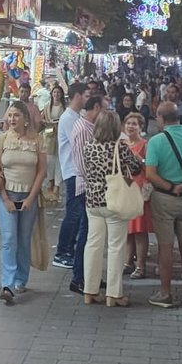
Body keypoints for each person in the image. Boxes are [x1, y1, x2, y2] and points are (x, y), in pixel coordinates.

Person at [142, 102, 182, 308]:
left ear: (160, 118)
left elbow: (151, 173)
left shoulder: (156, 141)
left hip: (164, 200)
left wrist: (171, 187)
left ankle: (166, 293)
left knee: (165, 247)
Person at [80, 111, 144, 307]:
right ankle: (113, 295)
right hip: (114, 201)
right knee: (116, 247)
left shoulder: (88, 147)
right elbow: (136, 167)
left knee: (93, 245)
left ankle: (89, 291)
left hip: (92, 201)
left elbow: (84, 170)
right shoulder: (120, 148)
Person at [0, 100, 46, 304]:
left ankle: (20, 278)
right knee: (8, 238)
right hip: (6, 195)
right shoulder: (2, 139)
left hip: (28, 196)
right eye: (10, 115)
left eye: (16, 115)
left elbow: (41, 171)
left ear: (25, 119)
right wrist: (5, 198)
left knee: (23, 239)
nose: (12, 119)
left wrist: (31, 198)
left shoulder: (37, 140)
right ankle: (7, 283)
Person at [69, 96, 106, 291]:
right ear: (97, 107)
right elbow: (83, 165)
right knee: (86, 234)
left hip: (93, 187)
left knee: (93, 234)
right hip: (88, 188)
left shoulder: (90, 127)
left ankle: (90, 274)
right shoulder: (83, 129)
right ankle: (79, 277)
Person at [53, 83, 90, 272]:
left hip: (79, 172)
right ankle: (62, 252)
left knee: (79, 213)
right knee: (74, 213)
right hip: (73, 172)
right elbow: (80, 144)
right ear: (77, 96)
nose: (87, 99)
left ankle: (70, 249)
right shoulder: (68, 118)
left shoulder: (77, 117)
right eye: (85, 95)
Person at [122, 112, 154, 279]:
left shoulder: (145, 144)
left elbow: (150, 167)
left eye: (134, 124)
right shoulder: (122, 144)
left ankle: (141, 265)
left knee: (140, 230)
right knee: (128, 230)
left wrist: (139, 160)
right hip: (124, 189)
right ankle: (128, 262)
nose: (131, 126)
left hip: (139, 191)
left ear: (141, 127)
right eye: (128, 123)